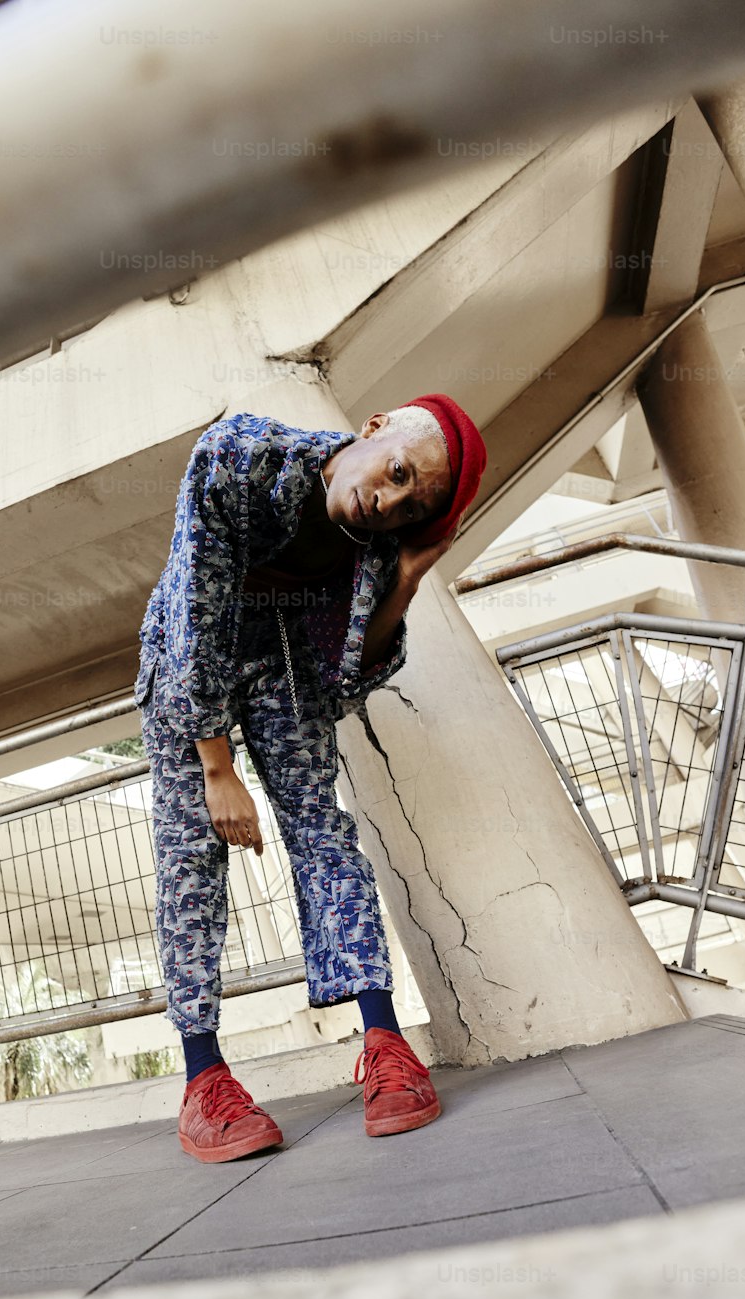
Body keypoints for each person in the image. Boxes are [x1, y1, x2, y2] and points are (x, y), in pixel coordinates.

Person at [134, 393, 487, 1163]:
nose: (385, 501)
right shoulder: (238, 455)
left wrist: (408, 576)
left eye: (406, 506)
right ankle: (203, 1081)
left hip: (282, 666)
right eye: (396, 472)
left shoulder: (373, 546)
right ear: (375, 430)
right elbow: (198, 607)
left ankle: (387, 1044)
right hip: (188, 659)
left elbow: (342, 681)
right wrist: (218, 767)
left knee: (323, 830)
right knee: (191, 852)